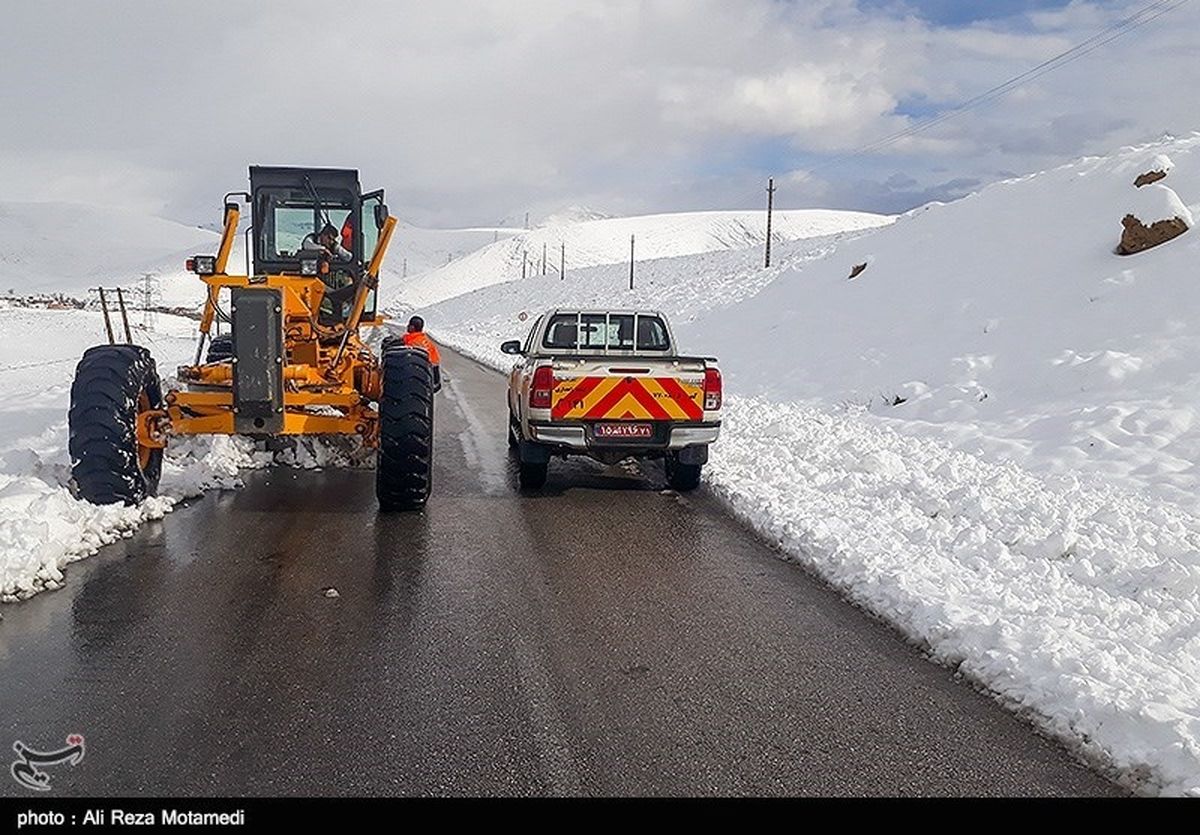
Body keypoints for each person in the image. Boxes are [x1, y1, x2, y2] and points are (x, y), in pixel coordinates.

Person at [402, 315, 442, 391]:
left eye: (409, 325)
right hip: (431, 378)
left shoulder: (414, 343)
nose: (407, 326)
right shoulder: (422, 339)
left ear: (413, 327)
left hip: (422, 378)